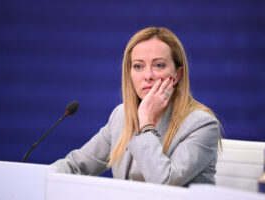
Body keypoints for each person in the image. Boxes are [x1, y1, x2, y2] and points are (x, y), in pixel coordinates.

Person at [52, 27, 222, 186]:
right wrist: (42, 177)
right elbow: (76, 166)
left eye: (159, 65)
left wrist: (146, 122)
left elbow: (165, 183)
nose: (148, 75)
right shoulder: (121, 115)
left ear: (177, 75)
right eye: (138, 66)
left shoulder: (201, 125)